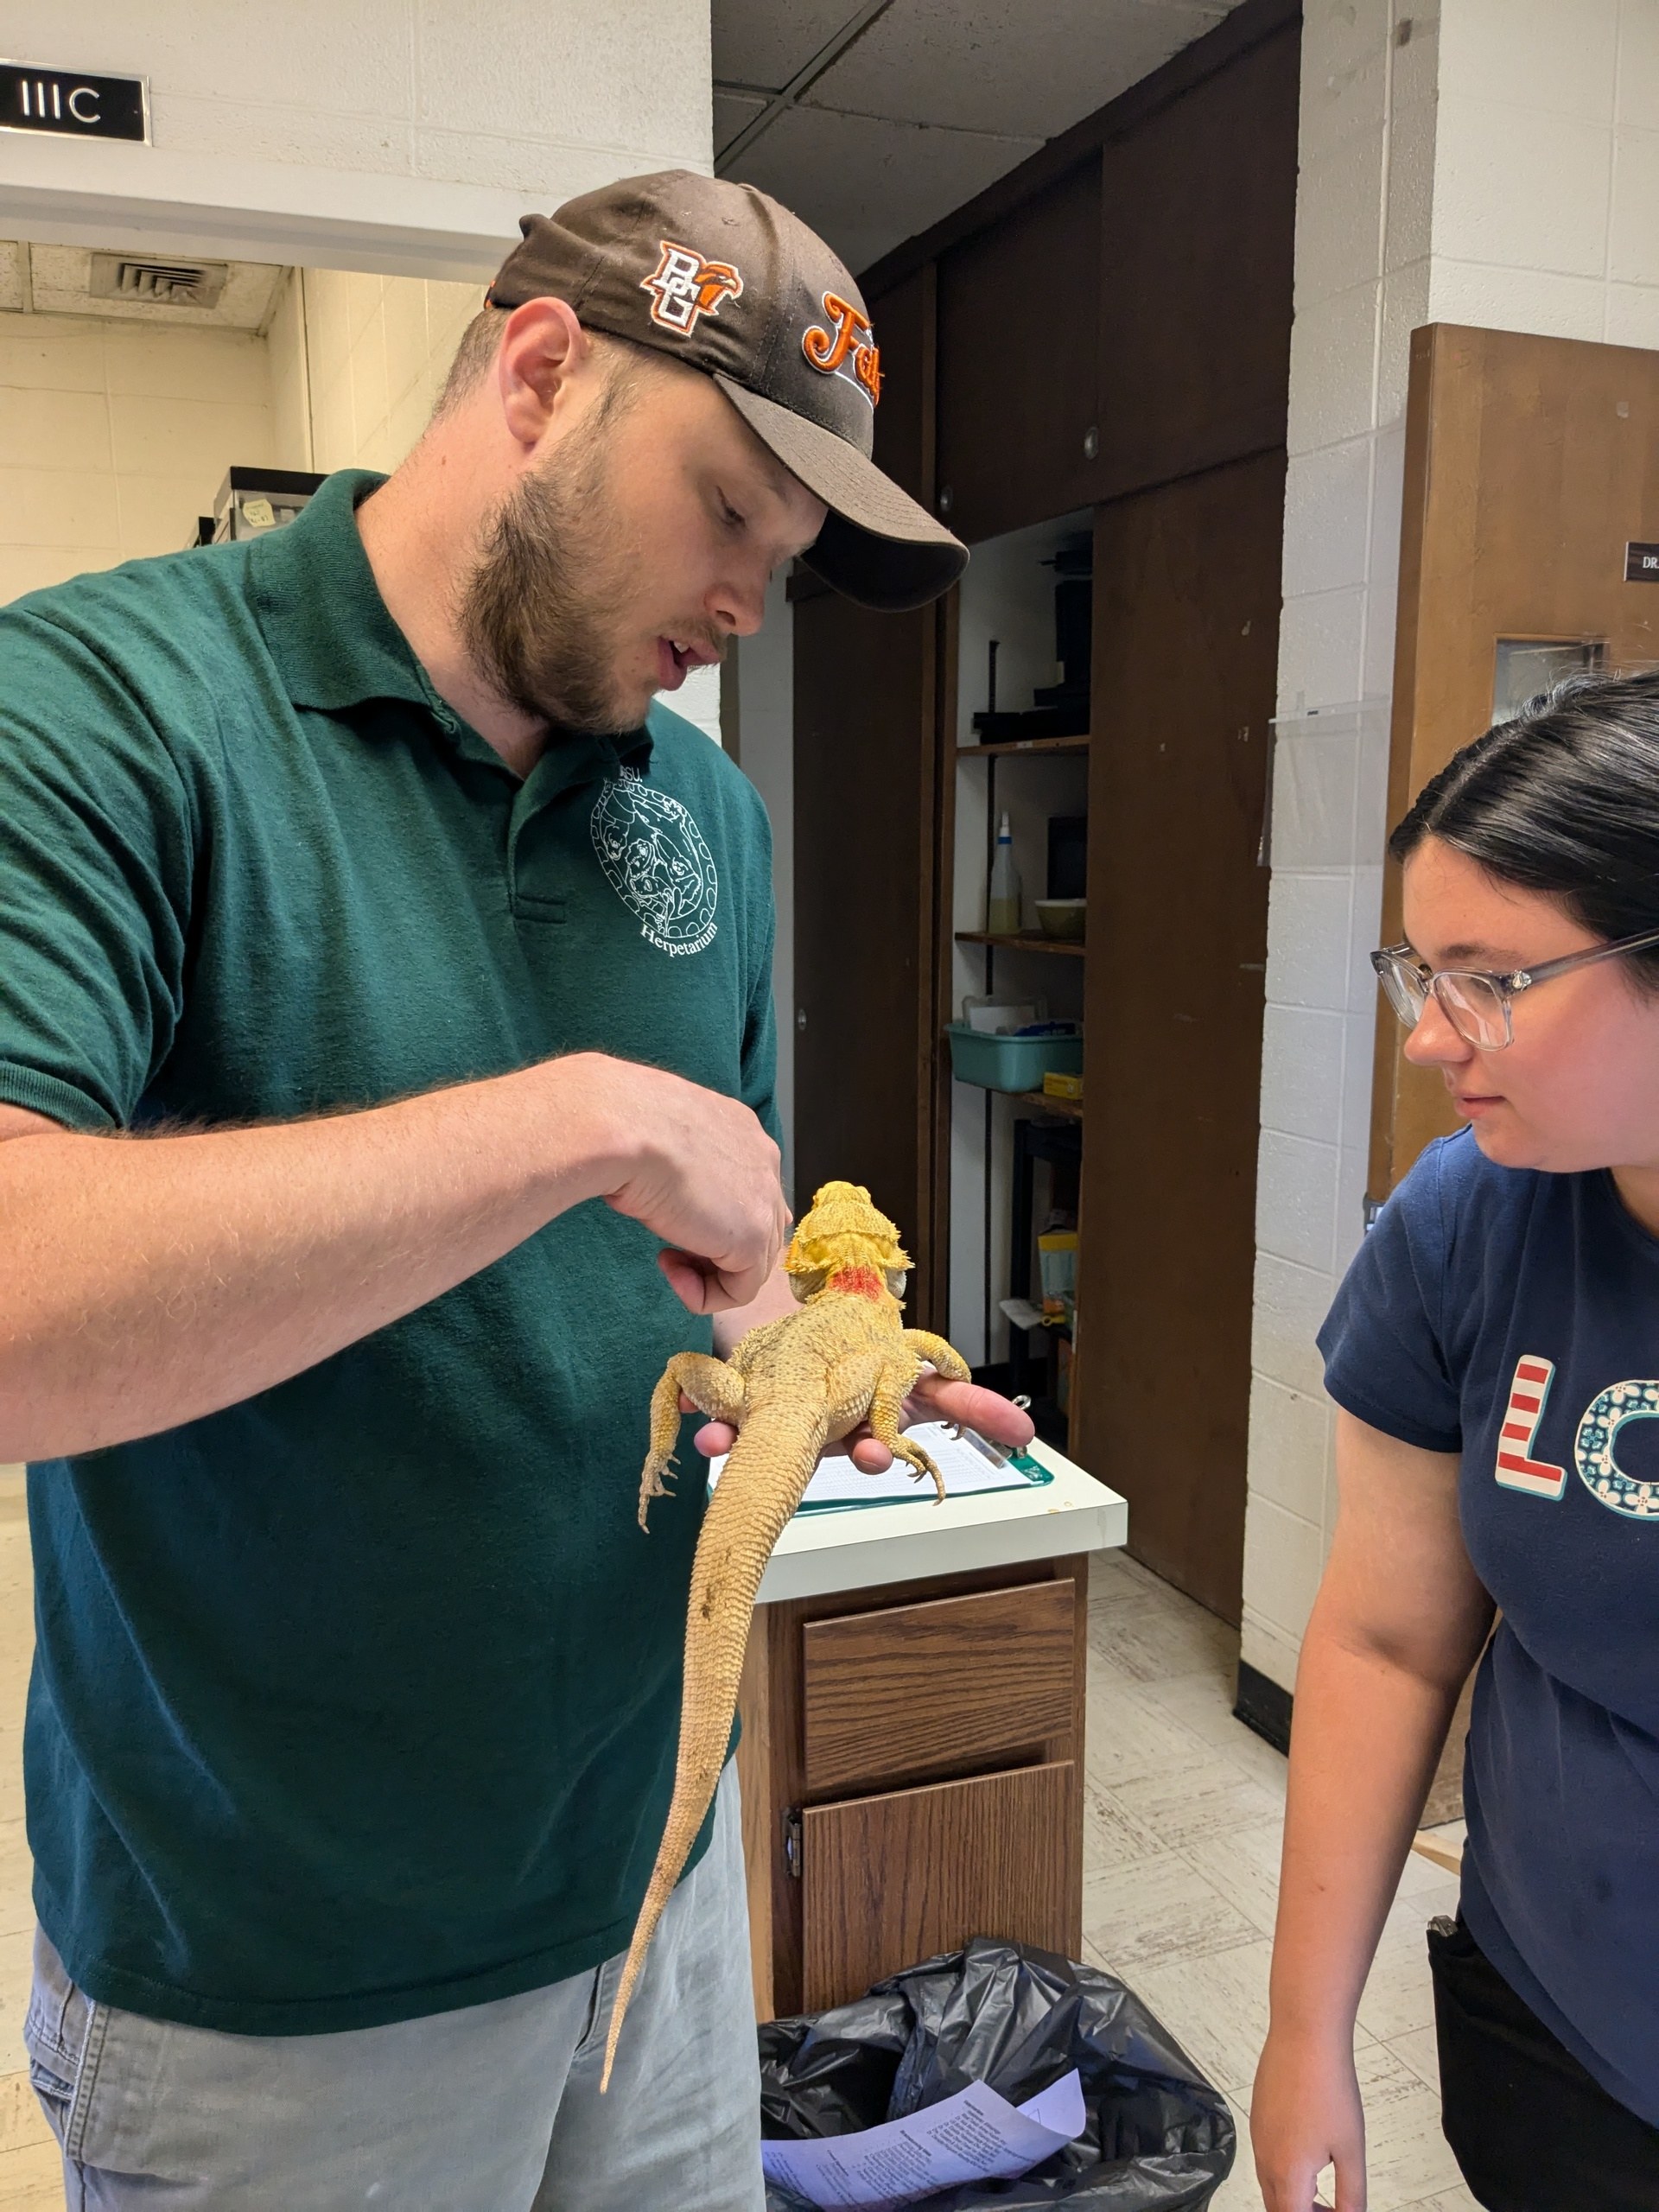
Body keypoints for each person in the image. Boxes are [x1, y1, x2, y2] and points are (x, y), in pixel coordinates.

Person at [1, 169, 1028, 2209]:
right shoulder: (107, 705)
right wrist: (569, 1114)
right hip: (280, 1976)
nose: (750, 595)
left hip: (649, 1886)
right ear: (544, 372)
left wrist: (820, 1358)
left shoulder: (704, 818)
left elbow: (705, 1274)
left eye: (794, 553)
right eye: (729, 504)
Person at [1252, 669, 1659, 2212]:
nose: (1431, 1037)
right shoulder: (1468, 1224)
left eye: (1489, 977)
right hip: (1557, 2029)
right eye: (1417, 972)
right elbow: (1385, 1637)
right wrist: (1305, 2033)